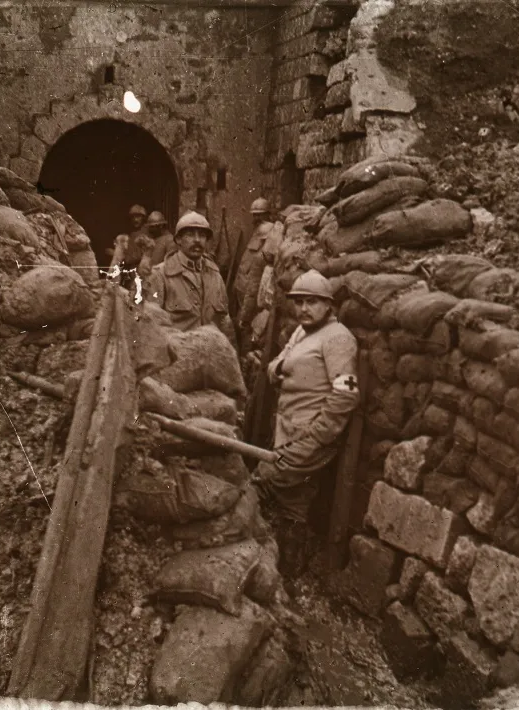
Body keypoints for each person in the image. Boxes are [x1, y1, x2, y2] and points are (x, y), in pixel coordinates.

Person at [255, 269, 360, 577]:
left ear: (328, 305)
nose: (303, 309)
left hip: (311, 438)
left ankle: (280, 569)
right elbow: (274, 366)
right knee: (293, 501)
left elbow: (346, 395)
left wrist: (317, 437)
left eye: (312, 302)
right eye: (298, 302)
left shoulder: (338, 338)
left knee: (263, 483)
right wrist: (284, 366)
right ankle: (285, 569)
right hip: (287, 430)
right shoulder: (302, 332)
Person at [145, 210, 236, 346]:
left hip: (210, 357)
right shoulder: (160, 275)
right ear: (178, 240)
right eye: (190, 235)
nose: (197, 240)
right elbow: (150, 327)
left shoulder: (215, 275)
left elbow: (224, 321)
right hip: (177, 359)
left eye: (202, 235)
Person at [234, 198, 280, 340]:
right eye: (254, 215)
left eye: (260, 214)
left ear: (268, 214)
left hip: (254, 293)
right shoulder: (256, 232)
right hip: (242, 289)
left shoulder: (271, 233)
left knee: (248, 331)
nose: (256, 218)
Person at [109, 204, 150, 288]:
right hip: (133, 272)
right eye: (133, 217)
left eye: (138, 217)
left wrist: (117, 254)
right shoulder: (133, 234)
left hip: (141, 272)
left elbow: (136, 256)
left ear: (143, 218)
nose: (135, 220)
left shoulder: (145, 233)